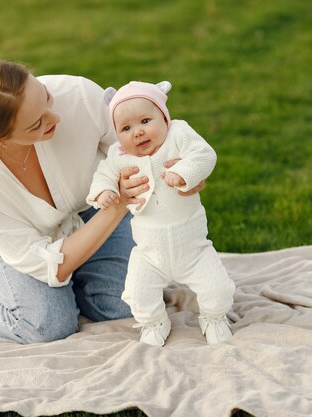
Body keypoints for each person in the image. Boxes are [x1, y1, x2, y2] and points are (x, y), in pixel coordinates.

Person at [0, 61, 205, 344]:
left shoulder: (80, 95)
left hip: (93, 204)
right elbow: (48, 265)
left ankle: (80, 283)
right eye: (37, 123)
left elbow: (146, 152)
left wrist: (184, 172)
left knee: (123, 305)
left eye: (46, 97)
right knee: (47, 326)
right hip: (28, 235)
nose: (55, 117)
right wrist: (119, 205)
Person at [86, 80, 236, 347]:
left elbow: (204, 155)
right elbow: (104, 173)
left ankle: (214, 318)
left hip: (193, 248)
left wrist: (183, 172)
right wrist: (104, 191)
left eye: (145, 120)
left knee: (218, 289)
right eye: (126, 128)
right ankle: (154, 322)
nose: (138, 133)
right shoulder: (119, 154)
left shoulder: (178, 134)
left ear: (164, 118)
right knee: (137, 292)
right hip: (149, 252)